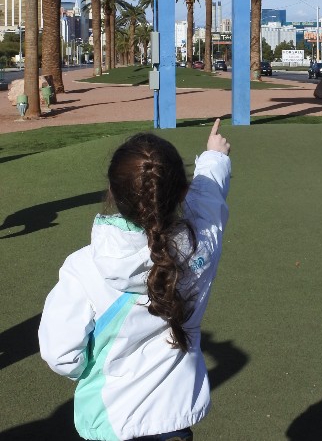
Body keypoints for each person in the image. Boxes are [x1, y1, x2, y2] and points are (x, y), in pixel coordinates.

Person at [38, 119, 231, 441]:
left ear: (112, 191)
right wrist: (215, 156)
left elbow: (62, 356)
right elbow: (209, 201)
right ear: (182, 192)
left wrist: (94, 368)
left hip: (109, 421)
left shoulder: (83, 267)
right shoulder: (203, 246)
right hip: (174, 422)